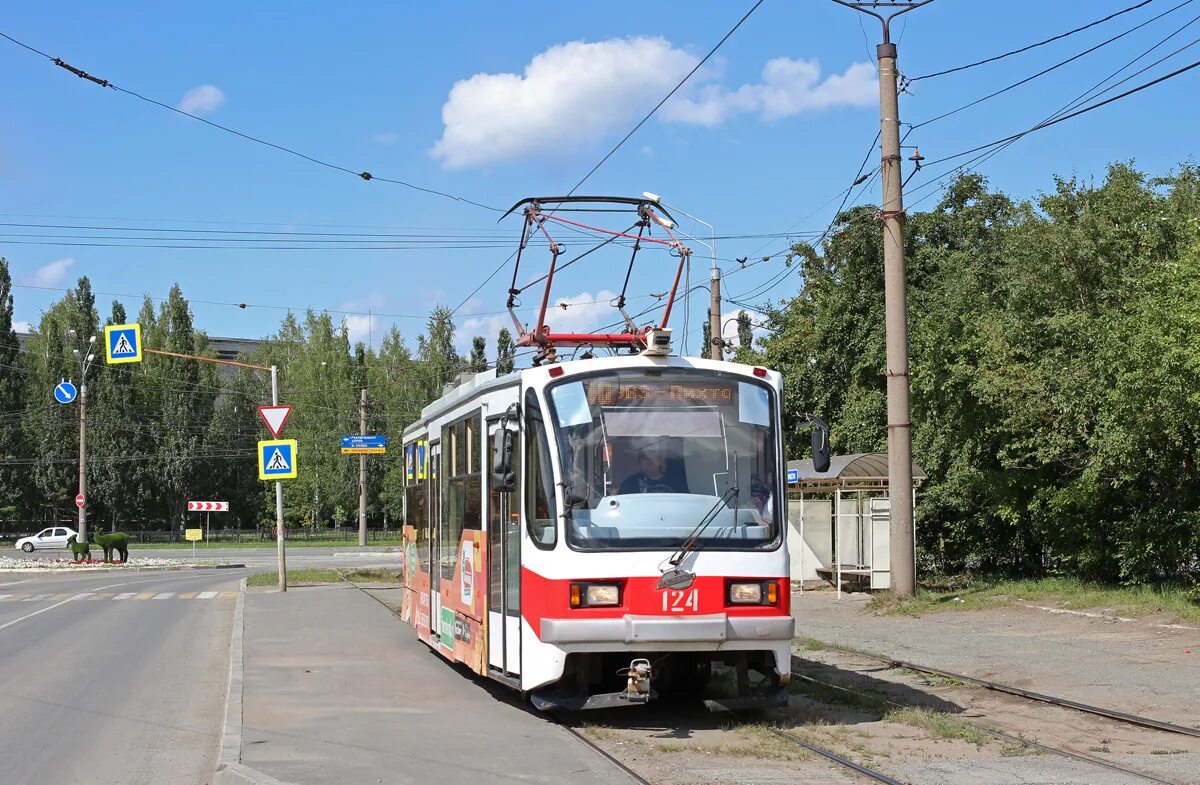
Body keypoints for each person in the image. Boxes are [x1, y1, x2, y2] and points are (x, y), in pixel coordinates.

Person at [618, 443, 685, 494]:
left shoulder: (676, 481)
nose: (648, 459)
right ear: (639, 461)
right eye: (643, 456)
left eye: (652, 455)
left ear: (660, 459)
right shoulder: (629, 483)